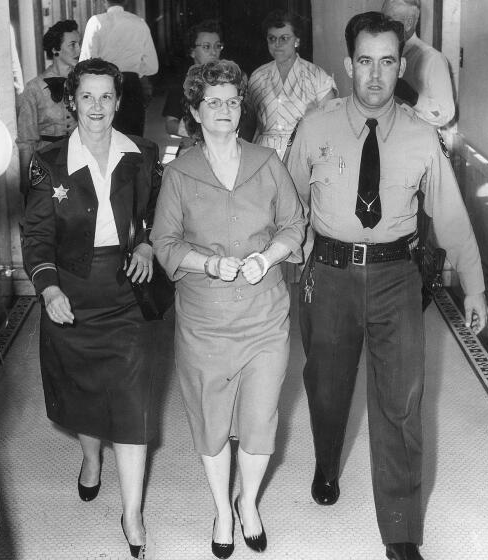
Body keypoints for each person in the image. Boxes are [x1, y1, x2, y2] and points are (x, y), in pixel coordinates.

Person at [285, 12, 487, 560]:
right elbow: (288, 200)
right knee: (327, 391)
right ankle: (328, 463)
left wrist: (474, 286)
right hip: (326, 277)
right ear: (349, 64)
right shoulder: (316, 127)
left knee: (401, 404)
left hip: (398, 278)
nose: (376, 76)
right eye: (365, 62)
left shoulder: (423, 137)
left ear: (403, 66)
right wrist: (288, 256)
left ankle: (400, 532)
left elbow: (451, 215)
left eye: (388, 62)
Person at [152, 59, 306, 559]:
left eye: (233, 101)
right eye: (213, 102)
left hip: (265, 316)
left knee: (262, 420)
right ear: (195, 111)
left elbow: (293, 225)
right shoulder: (178, 174)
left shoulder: (267, 162)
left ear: (244, 108)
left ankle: (249, 503)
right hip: (204, 322)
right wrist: (207, 264)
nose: (224, 110)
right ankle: (222, 508)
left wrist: (269, 256)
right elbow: (164, 243)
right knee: (212, 419)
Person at [21, 58, 162, 559]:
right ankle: (89, 457)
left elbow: (153, 219)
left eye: (107, 97)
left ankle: (133, 512)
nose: (97, 107)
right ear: (71, 102)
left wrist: (146, 246)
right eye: (87, 97)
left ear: (119, 101)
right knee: (83, 389)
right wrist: (48, 288)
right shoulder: (49, 163)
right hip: (71, 292)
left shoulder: (142, 154)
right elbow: (36, 238)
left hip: (126, 288)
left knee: (130, 401)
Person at [246, 10, 336, 160]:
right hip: (263, 157)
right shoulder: (258, 77)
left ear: (297, 41)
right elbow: (248, 124)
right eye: (272, 38)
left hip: (303, 155)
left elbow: (331, 124)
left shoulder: (317, 76)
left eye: (284, 38)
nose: (277, 44)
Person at [16, 20, 80, 198]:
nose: (79, 50)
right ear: (55, 50)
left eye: (79, 44)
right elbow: (26, 140)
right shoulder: (34, 88)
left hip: (80, 160)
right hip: (47, 164)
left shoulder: (84, 83)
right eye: (72, 45)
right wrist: (25, 180)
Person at [79, 0, 158, 136]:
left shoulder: (96, 22)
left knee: (104, 138)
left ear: (104, 1)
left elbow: (85, 64)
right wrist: (135, 70)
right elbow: (152, 66)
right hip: (131, 86)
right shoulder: (139, 23)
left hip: (103, 86)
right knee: (133, 138)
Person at [381, 0, 455, 127]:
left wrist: (413, 97)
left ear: (408, 23)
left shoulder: (433, 59)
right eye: (381, 19)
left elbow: (446, 114)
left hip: (417, 141)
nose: (382, 26)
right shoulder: (381, 54)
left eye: (388, 20)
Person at [162, 19, 223, 155]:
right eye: (206, 47)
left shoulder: (227, 83)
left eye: (217, 46)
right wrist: (196, 131)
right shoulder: (181, 83)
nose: (214, 52)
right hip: (191, 150)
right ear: (192, 52)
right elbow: (170, 124)